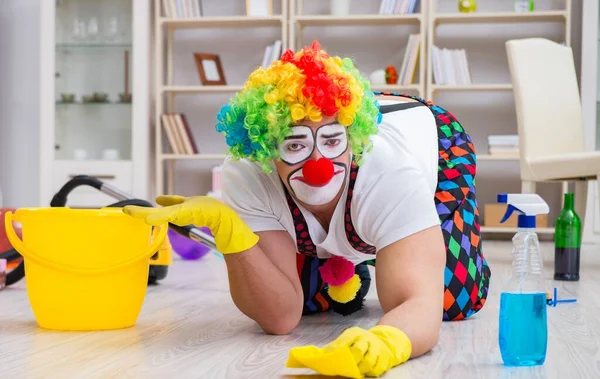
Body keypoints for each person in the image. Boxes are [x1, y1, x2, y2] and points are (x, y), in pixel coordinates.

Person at [123, 40, 491, 378]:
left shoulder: (390, 170)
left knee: (451, 301)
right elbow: (279, 318)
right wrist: (230, 232)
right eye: (295, 146)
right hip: (339, 191)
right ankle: (348, 260)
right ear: (266, 152)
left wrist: (384, 343)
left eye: (333, 141)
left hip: (437, 141)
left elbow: (419, 307)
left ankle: (377, 251)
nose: (320, 165)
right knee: (307, 304)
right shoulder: (248, 172)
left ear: (352, 138)